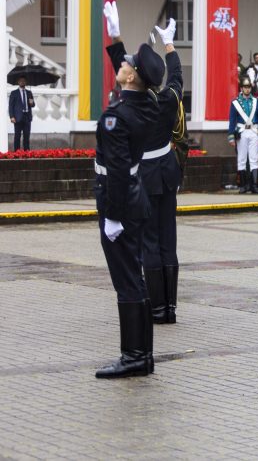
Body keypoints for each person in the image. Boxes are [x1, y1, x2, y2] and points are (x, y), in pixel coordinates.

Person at [102, 2, 184, 325]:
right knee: (169, 240)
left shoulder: (136, 106)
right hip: (167, 171)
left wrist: (115, 36)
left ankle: (157, 308)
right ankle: (170, 308)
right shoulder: (166, 100)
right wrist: (169, 46)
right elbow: (176, 76)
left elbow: (125, 75)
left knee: (150, 241)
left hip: (147, 176)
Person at [93, 42, 162, 378]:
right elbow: (132, 79)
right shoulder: (147, 105)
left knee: (126, 281)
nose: (122, 64)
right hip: (137, 197)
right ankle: (143, 355)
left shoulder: (115, 118)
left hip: (118, 198)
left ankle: (134, 357)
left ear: (132, 76)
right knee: (135, 277)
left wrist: (112, 216)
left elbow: (117, 170)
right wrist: (117, 41)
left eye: (127, 63)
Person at [228, 77, 258, 194]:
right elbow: (232, 120)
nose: (247, 89)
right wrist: (231, 136)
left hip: (254, 131)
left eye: (248, 87)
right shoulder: (235, 103)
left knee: (254, 159)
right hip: (242, 132)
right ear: (241, 88)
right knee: (242, 159)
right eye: (245, 87)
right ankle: (243, 185)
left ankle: (254, 185)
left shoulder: (256, 101)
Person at [8, 75, 35, 151]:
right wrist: (12, 116)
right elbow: (11, 106)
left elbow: (33, 105)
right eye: (21, 81)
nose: (22, 82)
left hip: (27, 116)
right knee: (17, 136)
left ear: (26, 82)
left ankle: (27, 152)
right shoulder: (14, 93)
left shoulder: (29, 92)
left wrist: (31, 102)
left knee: (26, 136)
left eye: (24, 81)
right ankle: (17, 153)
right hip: (17, 117)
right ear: (18, 82)